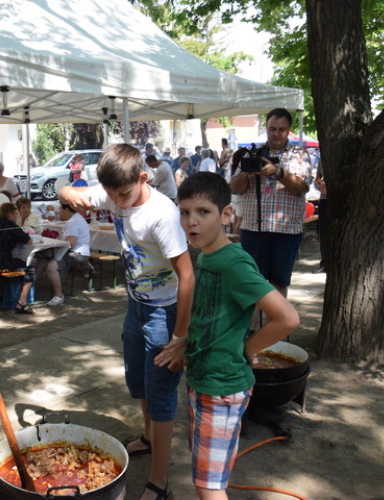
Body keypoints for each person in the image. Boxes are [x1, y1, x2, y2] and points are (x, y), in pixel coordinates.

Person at [59, 143, 194, 500]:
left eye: (124, 194)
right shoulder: (113, 192)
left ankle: (159, 481)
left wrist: (181, 335)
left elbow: (187, 277)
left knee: (161, 392)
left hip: (165, 314)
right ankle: (149, 437)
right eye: (111, 195)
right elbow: (66, 190)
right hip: (137, 306)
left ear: (143, 177)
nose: (117, 202)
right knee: (138, 379)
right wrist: (71, 192)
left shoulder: (162, 215)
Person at [156, 172, 299, 499]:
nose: (192, 221)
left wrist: (248, 347)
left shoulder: (234, 264)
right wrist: (187, 341)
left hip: (222, 386)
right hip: (203, 381)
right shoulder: (207, 255)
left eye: (203, 212)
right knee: (208, 477)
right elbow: (211, 314)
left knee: (209, 488)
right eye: (185, 211)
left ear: (226, 215)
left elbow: (288, 317)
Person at [229, 108, 311, 301]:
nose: (276, 133)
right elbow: (234, 188)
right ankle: (252, 330)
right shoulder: (251, 153)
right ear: (266, 127)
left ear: (289, 130)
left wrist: (277, 172)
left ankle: (276, 328)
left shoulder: (299, 154)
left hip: (285, 230)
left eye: (281, 129)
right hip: (253, 228)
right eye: (272, 128)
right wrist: (246, 173)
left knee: (278, 282)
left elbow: (302, 187)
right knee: (251, 282)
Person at [0, 202, 36, 314]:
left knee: (10, 265)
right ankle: (22, 303)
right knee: (30, 270)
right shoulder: (11, 225)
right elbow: (28, 240)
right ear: (11, 214)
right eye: (16, 214)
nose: (16, 216)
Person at [35, 202, 91, 306]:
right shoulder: (73, 219)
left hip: (78, 252)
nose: (59, 213)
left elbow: (72, 243)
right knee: (43, 259)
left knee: (52, 265)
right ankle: (31, 287)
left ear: (66, 210)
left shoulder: (74, 221)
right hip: (72, 250)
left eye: (60, 210)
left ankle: (59, 295)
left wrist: (58, 242)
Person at [312, 158, 329, 273]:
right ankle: (325, 263)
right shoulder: (323, 158)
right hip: (325, 200)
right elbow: (318, 178)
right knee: (324, 233)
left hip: (343, 200)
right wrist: (320, 185)